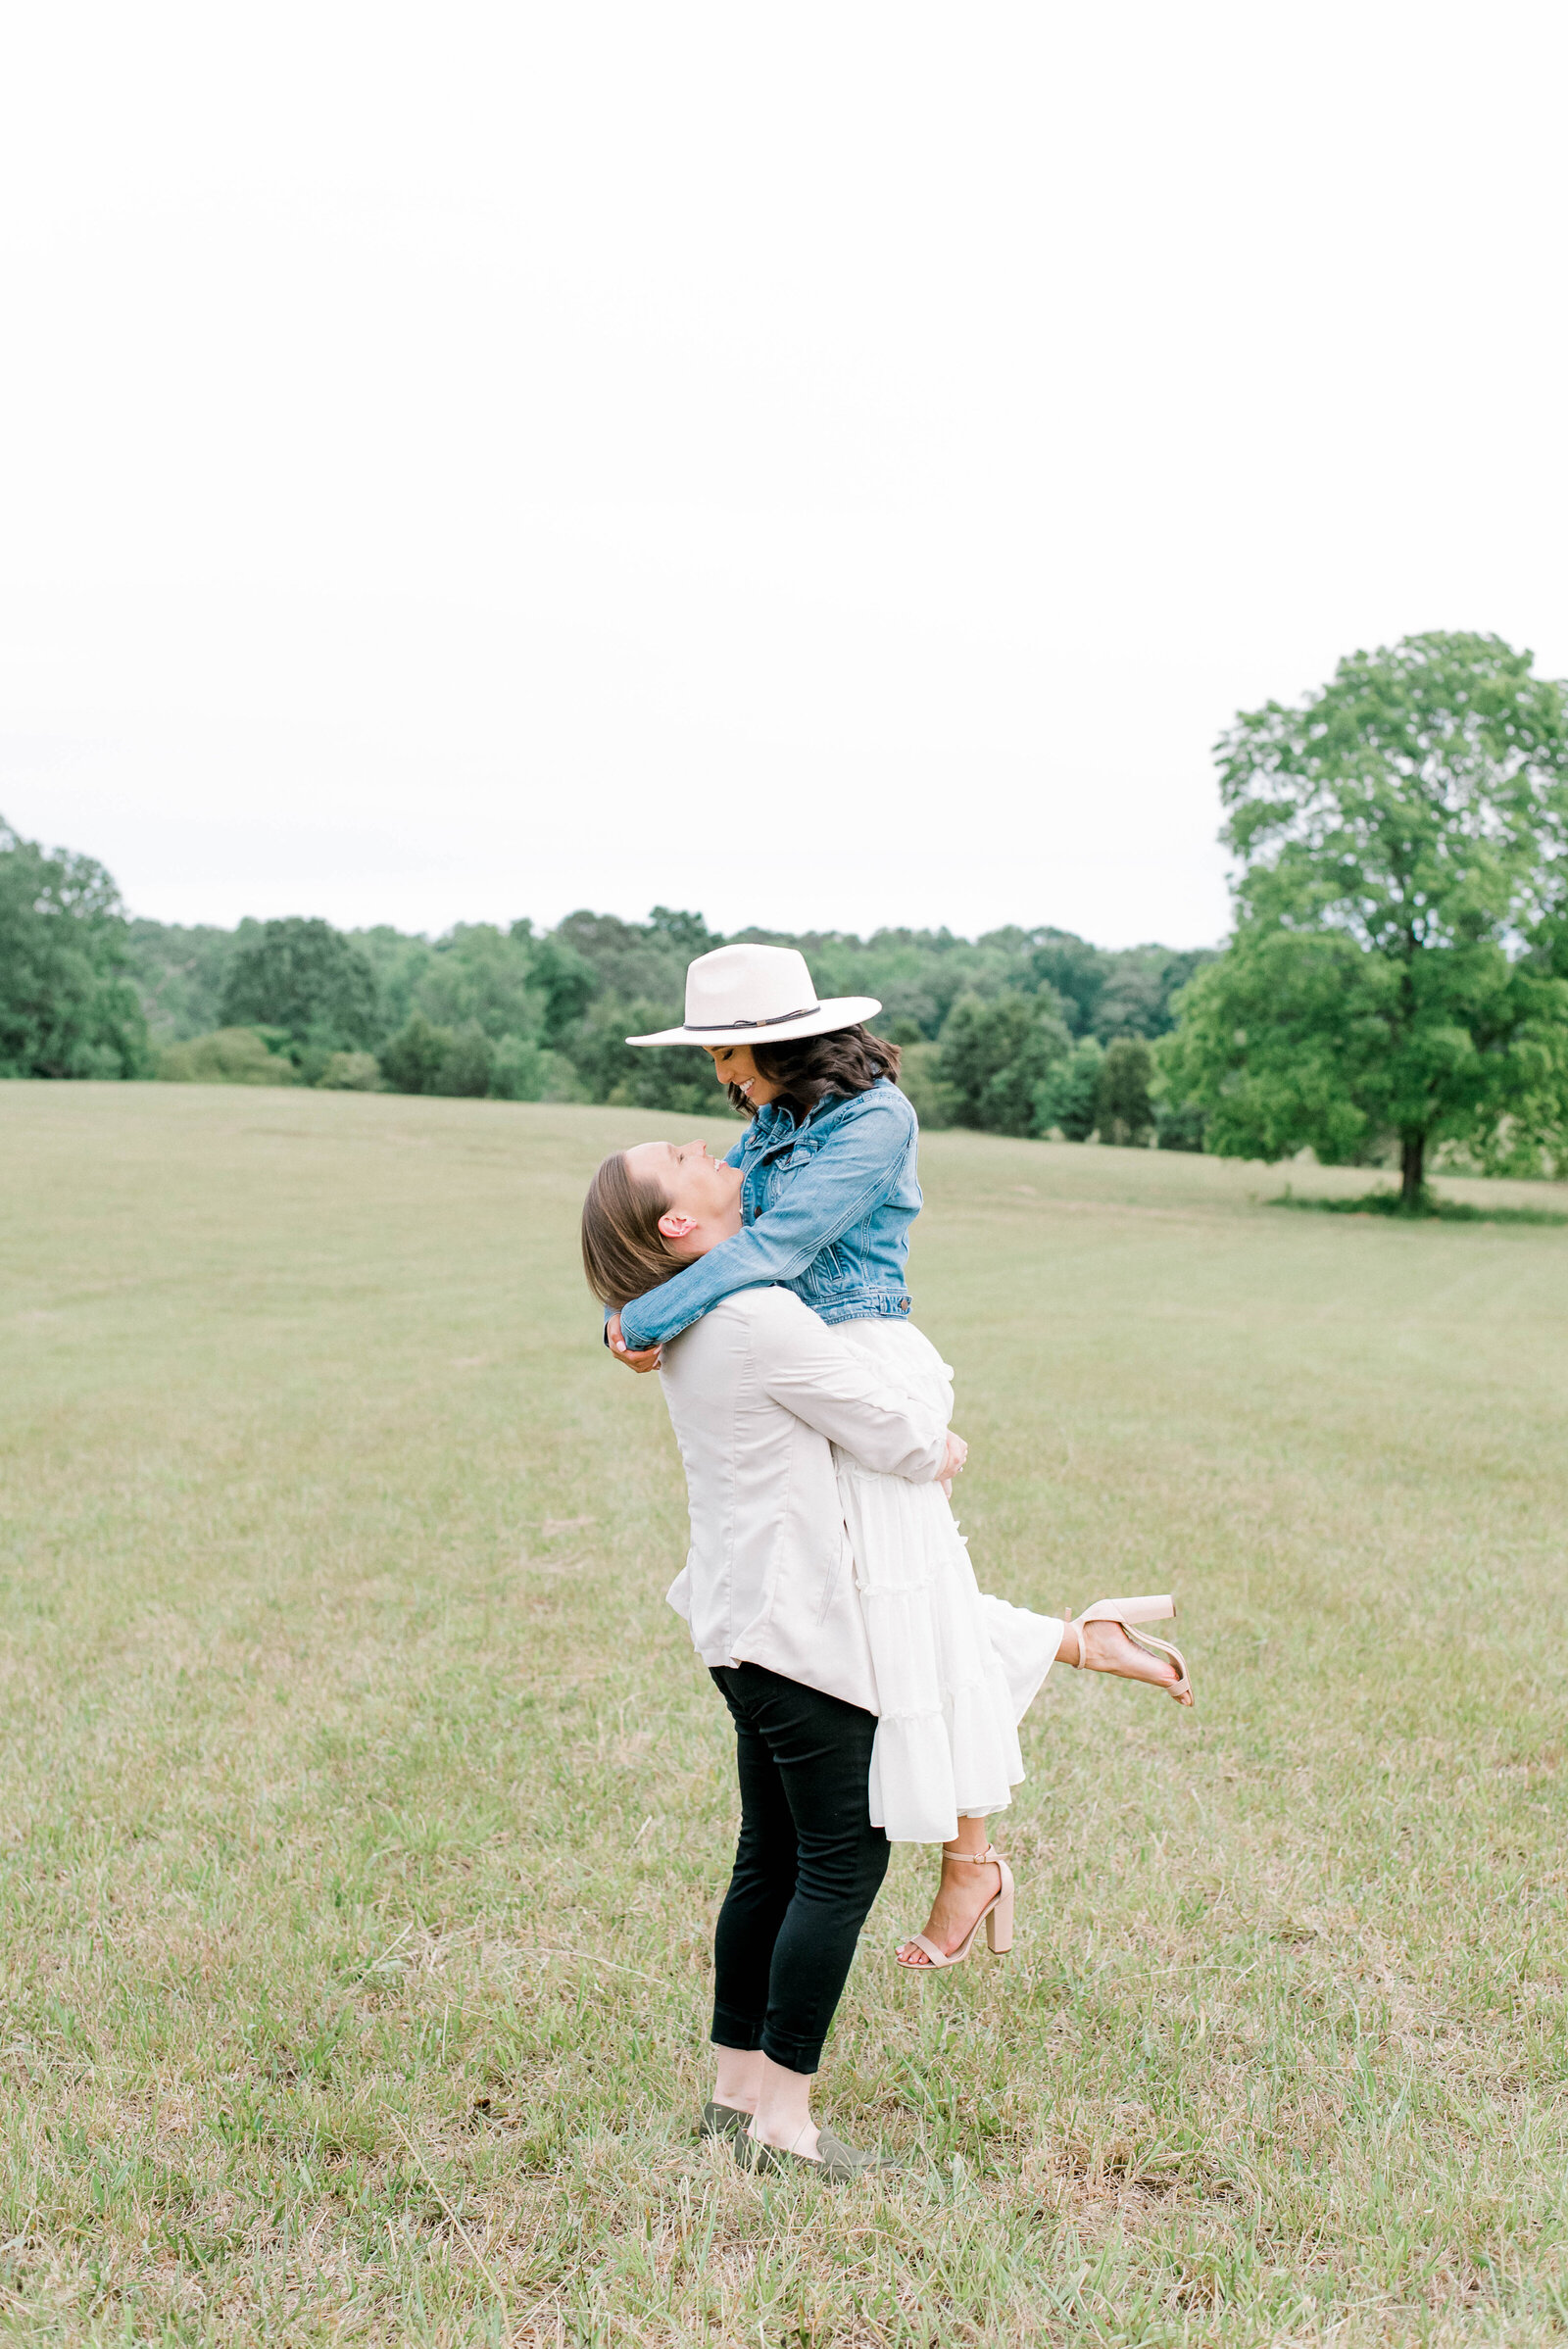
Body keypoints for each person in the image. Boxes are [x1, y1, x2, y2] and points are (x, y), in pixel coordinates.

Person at [580, 1143, 1190, 2174]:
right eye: (678, 1159)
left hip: (740, 1627)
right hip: (801, 1636)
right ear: (675, 1226)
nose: (703, 1146)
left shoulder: (686, 1317)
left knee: (769, 1858)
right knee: (837, 1865)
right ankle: (784, 2125)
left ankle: (736, 2096)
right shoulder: (758, 1315)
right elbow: (906, 1436)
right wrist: (938, 1445)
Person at [603, 945, 1191, 1971]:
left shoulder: (873, 1121)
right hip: (804, 1362)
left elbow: (773, 1252)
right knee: (890, 1605)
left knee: (896, 1609)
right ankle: (1064, 1664)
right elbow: (711, 1243)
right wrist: (640, 1306)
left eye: (722, 1051)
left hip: (862, 1362)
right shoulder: (774, 1118)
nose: (716, 1076)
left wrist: (638, 1314)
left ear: (769, 1040)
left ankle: (977, 1850)